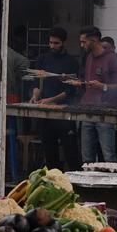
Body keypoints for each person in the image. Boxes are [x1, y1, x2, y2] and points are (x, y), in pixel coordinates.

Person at [30, 27, 81, 170]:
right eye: (51, 43)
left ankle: (74, 180)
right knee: (49, 150)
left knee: (70, 151)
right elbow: (37, 83)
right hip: (45, 113)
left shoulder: (71, 62)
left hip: (64, 113)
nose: (52, 46)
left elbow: (70, 90)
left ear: (63, 42)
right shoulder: (42, 59)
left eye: (56, 43)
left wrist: (51, 99)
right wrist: (35, 96)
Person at [77, 27, 117, 163]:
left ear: (94, 40)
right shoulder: (88, 57)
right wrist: (80, 83)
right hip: (88, 110)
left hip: (105, 113)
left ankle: (113, 183)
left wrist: (103, 86)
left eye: (84, 42)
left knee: (108, 155)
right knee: (87, 156)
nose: (82, 45)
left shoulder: (112, 59)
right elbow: (87, 83)